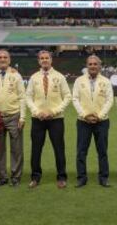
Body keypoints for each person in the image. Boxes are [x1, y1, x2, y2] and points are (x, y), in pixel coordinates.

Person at [26, 50, 71, 189]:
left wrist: (54, 111)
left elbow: (68, 96)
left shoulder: (60, 77)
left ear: (51, 60)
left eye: (47, 58)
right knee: (36, 149)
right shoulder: (34, 78)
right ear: (39, 61)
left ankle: (62, 177)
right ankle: (35, 177)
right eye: (42, 58)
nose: (44, 60)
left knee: (59, 149)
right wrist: (36, 111)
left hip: (56, 119)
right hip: (37, 119)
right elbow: (28, 97)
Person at [72, 55, 114, 188]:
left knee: (102, 151)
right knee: (81, 151)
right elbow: (75, 99)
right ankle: (81, 178)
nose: (93, 66)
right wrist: (85, 115)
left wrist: (99, 116)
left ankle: (103, 178)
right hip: (83, 121)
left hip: (101, 122)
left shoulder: (106, 81)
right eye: (90, 64)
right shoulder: (79, 81)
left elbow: (109, 100)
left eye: (95, 64)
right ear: (87, 65)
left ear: (99, 66)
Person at [0, 49, 26, 187]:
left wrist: (22, 117)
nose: (2, 59)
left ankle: (15, 177)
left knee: (17, 149)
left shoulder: (16, 75)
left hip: (14, 116)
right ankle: (3, 177)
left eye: (5, 57)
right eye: (0, 57)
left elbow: (22, 97)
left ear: (9, 60)